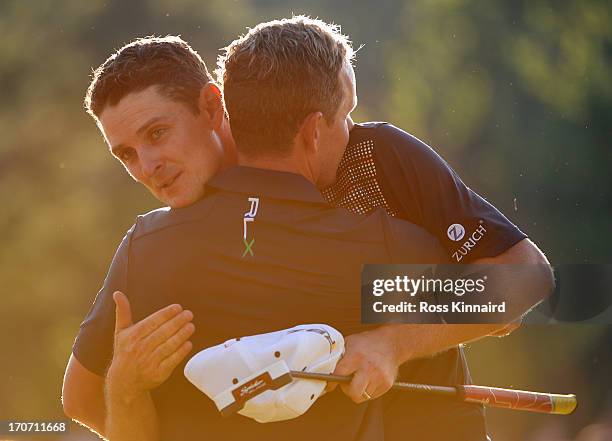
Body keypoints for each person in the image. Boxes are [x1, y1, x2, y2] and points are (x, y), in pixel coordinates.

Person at [62, 18, 552, 441]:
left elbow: (518, 279)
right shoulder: (154, 241)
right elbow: (83, 401)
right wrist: (134, 391)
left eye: (157, 133)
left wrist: (398, 340)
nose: (147, 167)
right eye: (126, 154)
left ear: (214, 108)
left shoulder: (372, 155)